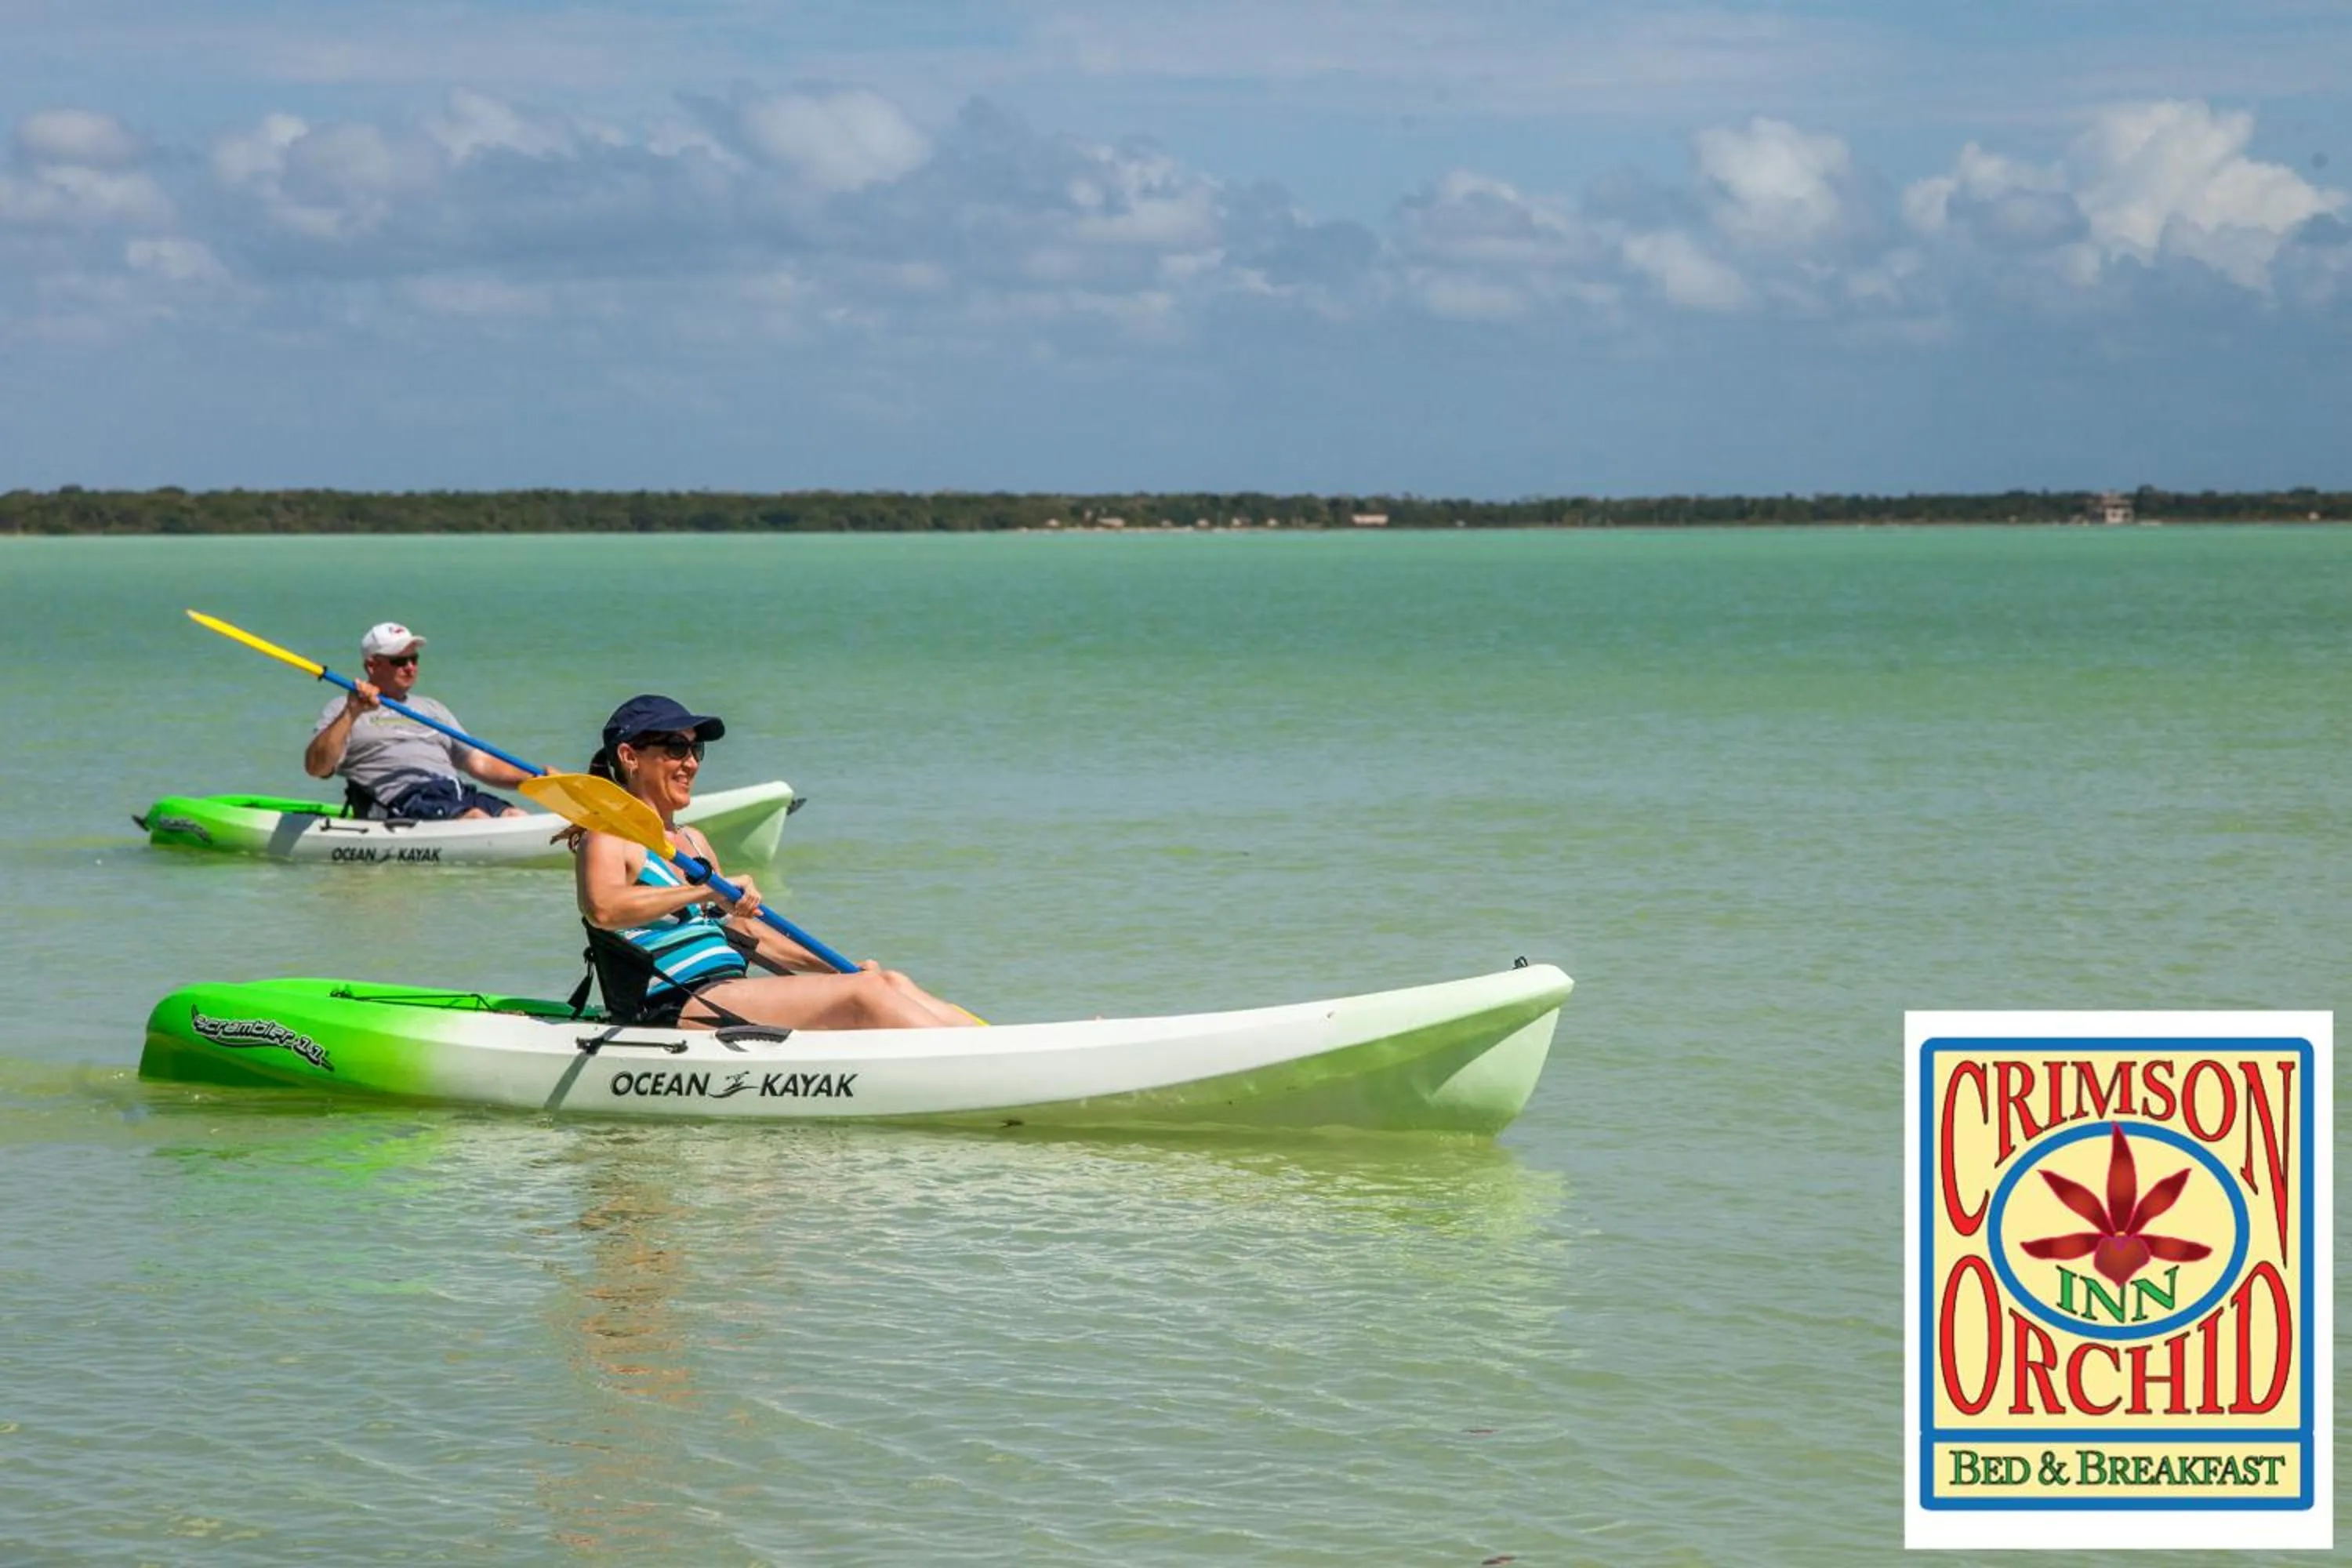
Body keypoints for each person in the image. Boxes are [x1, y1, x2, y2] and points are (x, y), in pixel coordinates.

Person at [575, 694, 977, 1030]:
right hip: (675, 1002)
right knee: (866, 996)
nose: (692, 763)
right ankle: (972, 1068)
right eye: (676, 748)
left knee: (885, 981)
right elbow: (604, 909)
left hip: (726, 988)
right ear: (629, 756)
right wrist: (707, 887)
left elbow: (745, 932)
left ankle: (988, 1047)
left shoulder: (693, 841)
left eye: (696, 749)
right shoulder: (610, 834)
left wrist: (835, 968)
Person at [303, 622, 531, 818]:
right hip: (401, 801)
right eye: (399, 661)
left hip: (454, 793)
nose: (410, 667)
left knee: (516, 816)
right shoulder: (342, 709)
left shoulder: (433, 708)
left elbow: (480, 763)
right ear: (372, 666)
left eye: (414, 659)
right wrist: (352, 712)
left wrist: (533, 779)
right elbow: (317, 768)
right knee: (475, 818)